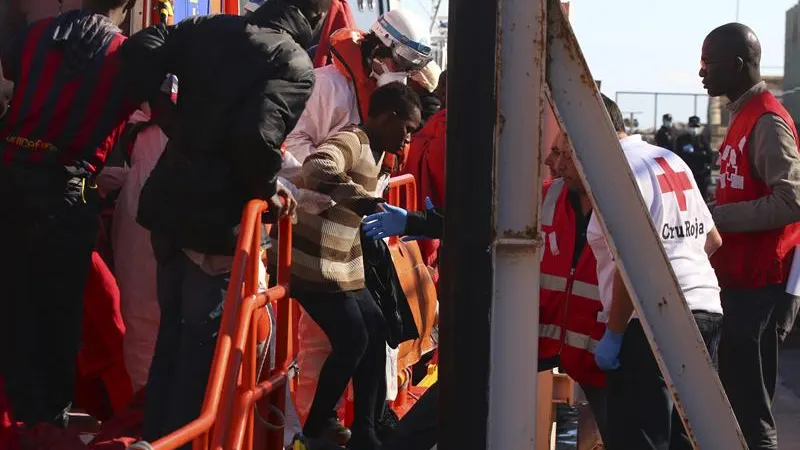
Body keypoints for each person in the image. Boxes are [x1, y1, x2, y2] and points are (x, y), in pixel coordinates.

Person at [119, 0, 330, 442]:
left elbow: (141, 45)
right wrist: (269, 188)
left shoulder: (208, 27)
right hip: (215, 225)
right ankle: (176, 441)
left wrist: (166, 113)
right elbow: (256, 136)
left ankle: (156, 436)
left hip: (170, 205)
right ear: (314, 19)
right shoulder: (293, 62)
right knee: (200, 350)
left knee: (171, 339)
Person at [0, 0, 139, 427]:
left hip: (10, 182)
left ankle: (18, 421)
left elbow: (10, 77)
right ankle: (47, 425)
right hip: (66, 193)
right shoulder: (126, 55)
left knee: (13, 307)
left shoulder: (38, 36)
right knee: (58, 319)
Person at [288, 82, 421, 449]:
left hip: (344, 266)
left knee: (377, 330)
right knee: (354, 338)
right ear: (387, 118)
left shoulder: (377, 153)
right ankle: (319, 423)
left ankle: (366, 429)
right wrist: (362, 202)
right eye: (406, 129)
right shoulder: (354, 141)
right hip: (317, 266)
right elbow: (317, 165)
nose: (407, 140)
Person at [591, 95, 723, 450]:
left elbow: (629, 260)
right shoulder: (669, 160)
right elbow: (712, 240)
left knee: (644, 437)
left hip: (651, 319)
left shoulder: (618, 171)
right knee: (690, 435)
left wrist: (616, 331)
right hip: (705, 306)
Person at [700, 23, 800, 450]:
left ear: (737, 65)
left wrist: (718, 216)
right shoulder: (743, 116)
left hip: (761, 288)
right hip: (741, 284)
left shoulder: (766, 120)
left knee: (751, 413)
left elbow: (791, 201)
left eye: (709, 62)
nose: (701, 72)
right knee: (735, 408)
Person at [538, 131, 609, 443]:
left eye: (560, 154)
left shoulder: (623, 208)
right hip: (542, 336)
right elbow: (489, 220)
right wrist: (419, 222)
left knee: (612, 432)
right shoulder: (546, 196)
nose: (550, 161)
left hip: (598, 351)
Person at [672, 115, 713, 201]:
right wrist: (700, 155)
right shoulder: (681, 139)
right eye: (692, 126)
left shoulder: (703, 139)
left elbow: (710, 157)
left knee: (702, 199)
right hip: (687, 174)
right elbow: (679, 156)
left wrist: (692, 155)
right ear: (688, 127)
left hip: (702, 175)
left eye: (696, 126)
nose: (694, 129)